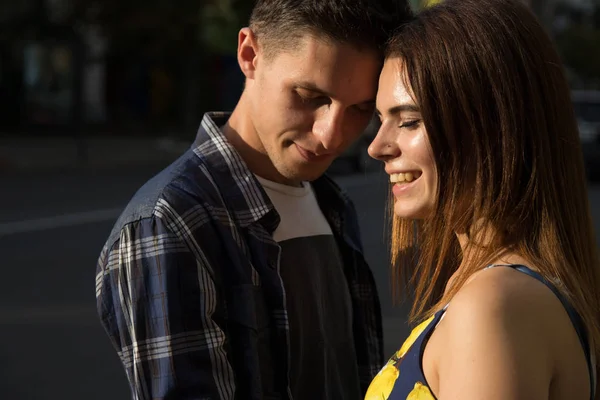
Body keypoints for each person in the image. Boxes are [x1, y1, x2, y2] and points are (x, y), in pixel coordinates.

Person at [95, 0, 412, 399]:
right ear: (250, 55)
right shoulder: (171, 221)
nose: (331, 134)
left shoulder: (332, 202)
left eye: (361, 109)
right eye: (309, 96)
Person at [365, 0, 599, 399]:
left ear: (492, 128)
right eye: (380, 119)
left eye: (408, 121)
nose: (377, 146)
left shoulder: (493, 305)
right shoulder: (493, 289)